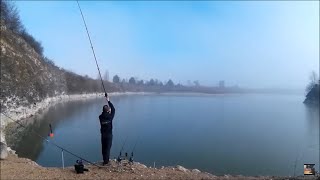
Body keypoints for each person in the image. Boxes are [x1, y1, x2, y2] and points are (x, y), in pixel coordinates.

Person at [99, 93, 115, 165]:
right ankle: (106, 162)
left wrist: (108, 110)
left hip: (103, 135)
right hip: (108, 135)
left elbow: (108, 111)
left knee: (103, 148)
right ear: (108, 111)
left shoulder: (100, 117)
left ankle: (104, 160)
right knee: (108, 148)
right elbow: (113, 109)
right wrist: (108, 100)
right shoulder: (110, 117)